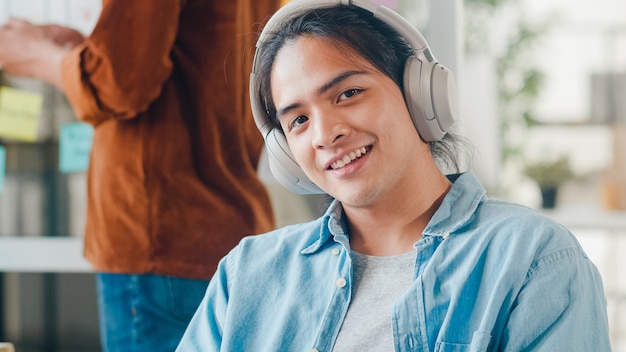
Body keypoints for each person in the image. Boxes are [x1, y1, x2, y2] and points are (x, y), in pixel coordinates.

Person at [176, 0, 612, 351]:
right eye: (298, 121)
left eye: (348, 93)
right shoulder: (247, 275)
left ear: (420, 94)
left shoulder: (533, 261)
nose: (327, 134)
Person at [0, 0, 282, 350]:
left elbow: (118, 83)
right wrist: (84, 56)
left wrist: (35, 54)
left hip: (157, 234)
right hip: (225, 225)